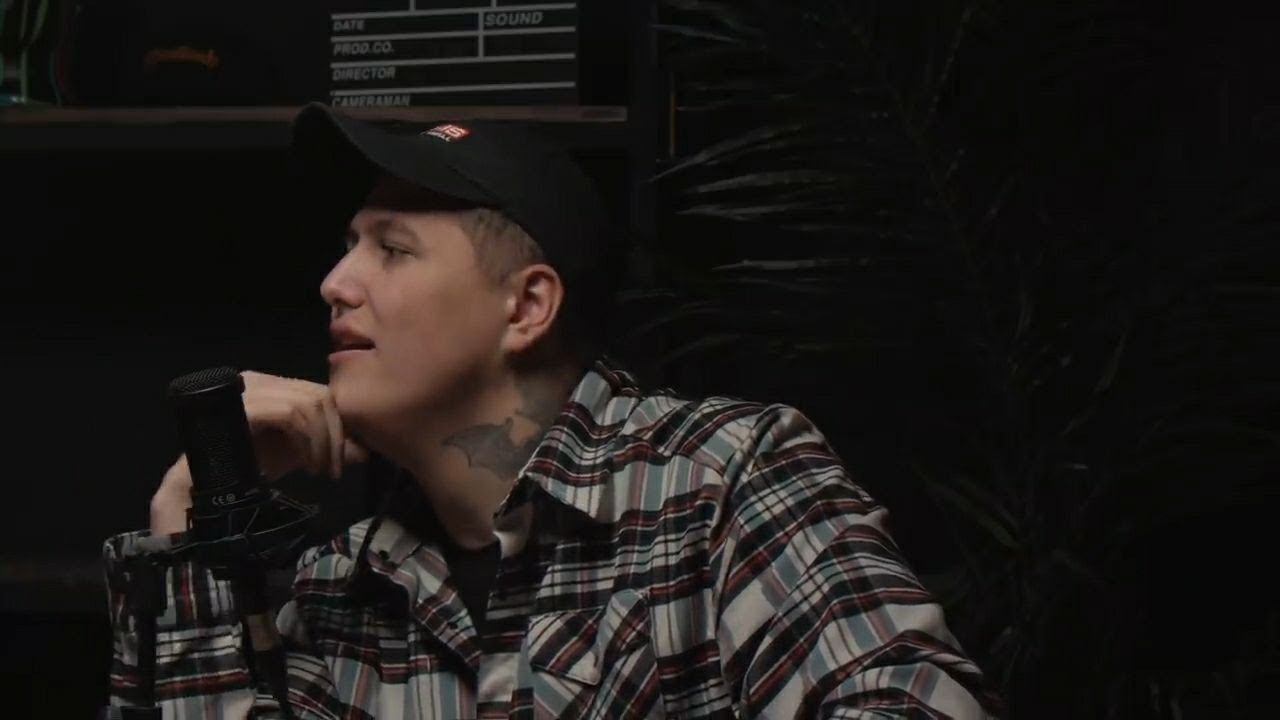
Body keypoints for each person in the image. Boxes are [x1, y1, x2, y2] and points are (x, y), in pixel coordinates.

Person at [102, 102, 1001, 719]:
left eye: (393, 249)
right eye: (347, 248)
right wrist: (190, 528)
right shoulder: (340, 588)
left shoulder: (722, 481)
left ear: (527, 307)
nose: (335, 282)